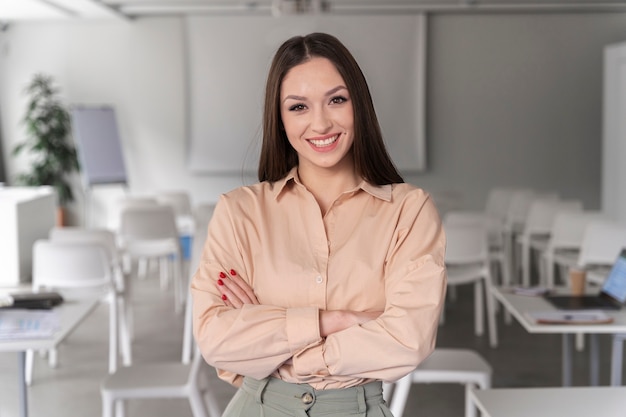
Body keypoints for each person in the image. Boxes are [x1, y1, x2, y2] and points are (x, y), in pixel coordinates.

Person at [191, 32, 446, 417]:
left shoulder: (408, 212)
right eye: (298, 107)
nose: (321, 123)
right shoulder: (239, 212)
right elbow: (215, 339)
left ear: (358, 105)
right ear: (279, 119)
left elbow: (407, 339)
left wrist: (277, 341)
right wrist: (335, 320)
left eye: (336, 100)